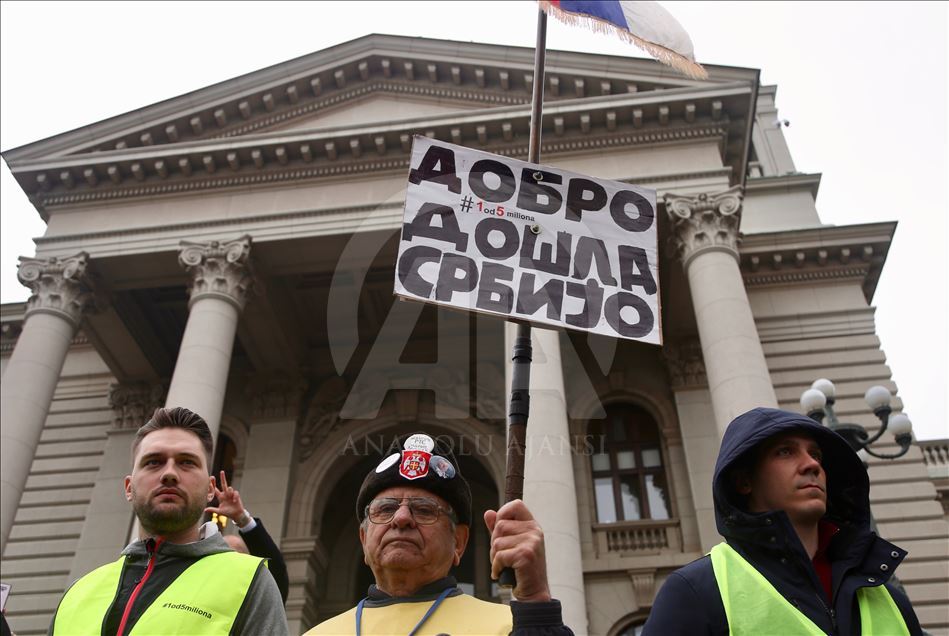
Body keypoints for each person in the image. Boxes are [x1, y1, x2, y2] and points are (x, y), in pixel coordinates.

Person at [643, 407, 922, 635]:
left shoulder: (891, 601)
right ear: (743, 481)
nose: (812, 464)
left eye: (816, 454)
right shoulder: (697, 591)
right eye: (785, 452)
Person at [48, 407, 288, 635]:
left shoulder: (250, 584)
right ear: (129, 488)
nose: (169, 473)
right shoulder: (76, 595)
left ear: (210, 488)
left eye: (187, 462)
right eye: (153, 461)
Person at [305, 433, 573, 635]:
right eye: (386, 509)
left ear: (458, 542)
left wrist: (537, 603)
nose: (401, 518)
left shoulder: (511, 627)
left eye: (423, 510)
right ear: (364, 539)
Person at [205, 470, 290, 603]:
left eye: (235, 555)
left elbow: (276, 571)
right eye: (222, 554)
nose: (228, 560)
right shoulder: (201, 590)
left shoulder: (257, 599)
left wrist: (242, 518)